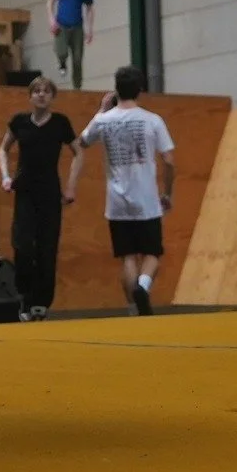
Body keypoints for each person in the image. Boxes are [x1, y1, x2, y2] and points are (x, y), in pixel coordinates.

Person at [74, 66, 174, 316]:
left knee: (128, 256)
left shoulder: (104, 121)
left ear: (116, 90)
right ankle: (143, 286)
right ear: (140, 90)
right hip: (147, 199)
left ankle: (133, 310)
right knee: (152, 253)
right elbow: (169, 160)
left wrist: (101, 110)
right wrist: (167, 193)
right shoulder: (152, 120)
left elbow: (82, 142)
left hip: (117, 201)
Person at [0, 75, 83, 321]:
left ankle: (42, 303)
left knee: (47, 248)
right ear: (30, 96)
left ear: (52, 96)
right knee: (23, 246)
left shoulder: (60, 123)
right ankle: (25, 297)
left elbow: (78, 152)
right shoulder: (20, 122)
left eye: (46, 91)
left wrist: (71, 187)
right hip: (25, 191)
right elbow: (3, 149)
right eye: (37, 91)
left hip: (49, 192)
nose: (41, 95)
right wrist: (6, 176)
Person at [47, 0, 96, 89]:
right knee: (61, 51)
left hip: (77, 26)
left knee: (78, 59)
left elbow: (89, 9)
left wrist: (89, 29)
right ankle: (62, 63)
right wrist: (51, 20)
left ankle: (77, 87)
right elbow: (50, 2)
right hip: (61, 24)